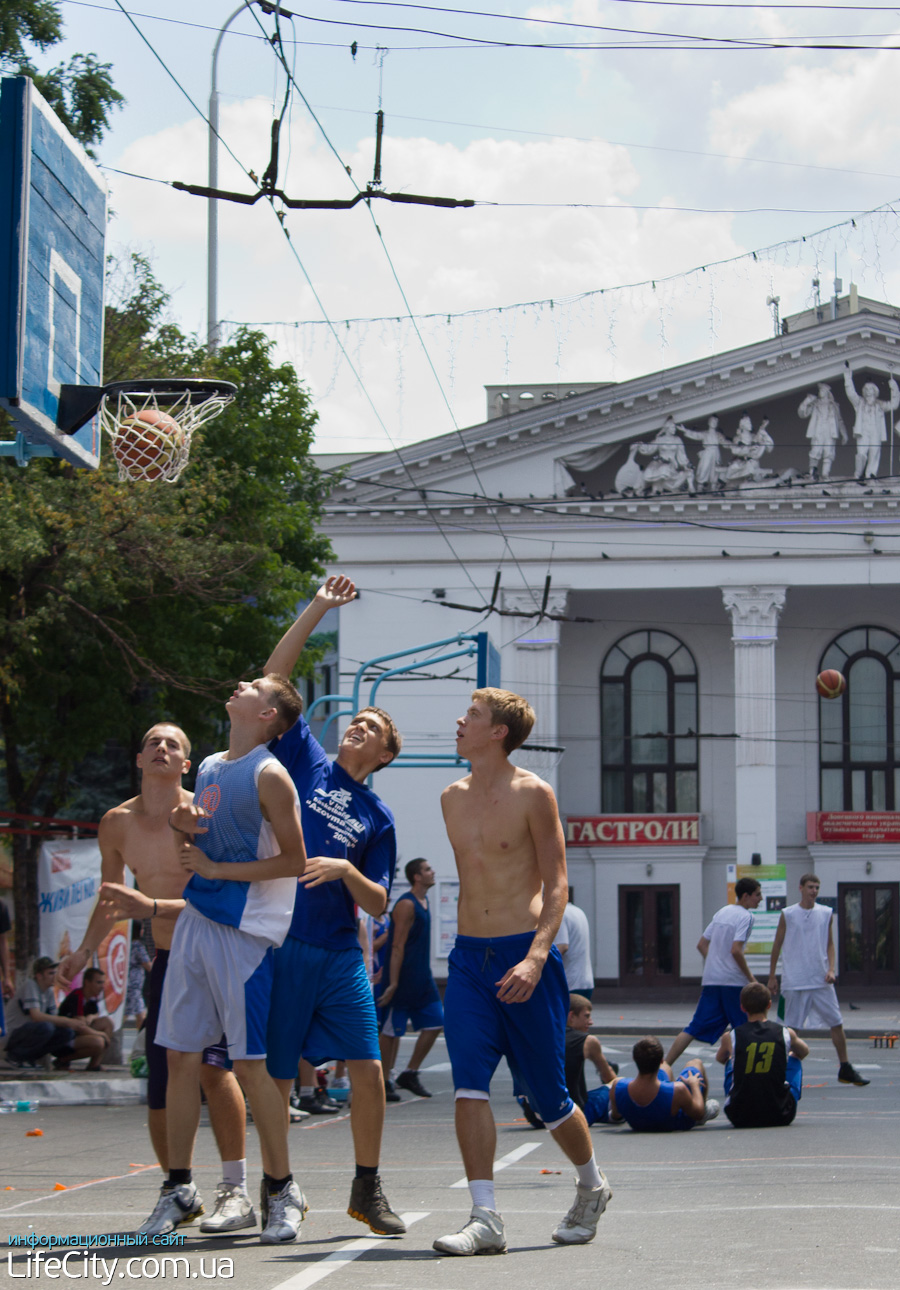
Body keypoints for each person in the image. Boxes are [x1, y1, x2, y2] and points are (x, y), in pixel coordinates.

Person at [433, 687, 612, 1256]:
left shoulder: (535, 793)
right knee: (468, 1083)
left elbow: (557, 884)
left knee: (547, 1095)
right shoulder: (450, 797)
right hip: (467, 960)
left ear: (499, 733)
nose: (461, 722)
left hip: (524, 955)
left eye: (474, 716)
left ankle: (591, 1186)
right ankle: (484, 1217)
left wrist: (537, 956)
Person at [56, 724, 251, 1237]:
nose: (162, 749)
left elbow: (228, 897)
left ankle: (235, 1188)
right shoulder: (116, 823)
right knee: (160, 1089)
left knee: (213, 1070)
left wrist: (154, 906)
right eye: (152, 743)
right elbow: (112, 897)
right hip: (167, 959)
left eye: (174, 746)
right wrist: (83, 951)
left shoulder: (203, 816)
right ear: (139, 759)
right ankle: (178, 1190)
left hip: (214, 953)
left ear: (186, 764)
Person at [263, 575, 406, 1237]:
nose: (357, 726)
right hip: (283, 939)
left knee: (369, 1066)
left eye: (370, 727)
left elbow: (379, 902)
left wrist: (347, 867)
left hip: (340, 950)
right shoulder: (308, 763)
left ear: (382, 754)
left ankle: (367, 1187)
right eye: (357, 721)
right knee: (275, 1070)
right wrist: (319, 606)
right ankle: (277, 1188)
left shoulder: (377, 816)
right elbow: (274, 678)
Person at [148, 675, 307, 1245]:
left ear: (266, 714)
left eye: (254, 685)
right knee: (180, 1060)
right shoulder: (212, 764)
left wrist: (219, 872)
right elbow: (196, 848)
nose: (241, 683)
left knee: (250, 1066)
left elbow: (294, 860)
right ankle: (178, 1189)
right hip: (196, 920)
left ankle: (282, 1189)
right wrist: (179, 828)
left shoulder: (270, 774)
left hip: (245, 934)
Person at [767, 873, 869, 1087]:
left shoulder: (825, 913)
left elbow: (829, 944)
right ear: (801, 888)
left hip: (820, 980)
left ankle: (845, 1067)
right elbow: (777, 945)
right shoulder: (789, 913)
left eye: (817, 888)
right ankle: (778, 1070)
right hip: (795, 980)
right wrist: (772, 976)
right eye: (811, 887)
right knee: (790, 1029)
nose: (814, 891)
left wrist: (831, 969)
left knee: (836, 1022)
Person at [665, 877, 762, 1069]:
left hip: (712, 980)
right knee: (746, 1028)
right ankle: (749, 1073)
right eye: (758, 894)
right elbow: (736, 950)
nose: (760, 899)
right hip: (733, 983)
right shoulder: (746, 917)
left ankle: (664, 1066)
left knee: (693, 1028)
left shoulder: (722, 912)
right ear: (746, 896)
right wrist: (752, 980)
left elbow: (701, 944)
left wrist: (716, 963)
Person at [378, 858, 444, 1099]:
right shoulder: (406, 904)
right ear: (416, 876)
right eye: (428, 869)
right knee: (391, 1032)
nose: (432, 871)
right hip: (403, 976)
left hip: (422, 976)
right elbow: (396, 945)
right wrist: (393, 981)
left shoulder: (424, 901)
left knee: (437, 1021)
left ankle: (410, 1072)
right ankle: (383, 1081)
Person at [716, 982, 808, 1128]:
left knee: (730, 1061)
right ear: (769, 1005)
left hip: (739, 1115)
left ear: (742, 1008)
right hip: (780, 1113)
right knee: (794, 1058)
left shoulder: (730, 1036)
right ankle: (788, 1096)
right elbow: (804, 1051)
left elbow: (720, 1058)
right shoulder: (785, 1033)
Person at [5, 957, 105, 1069]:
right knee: (46, 1027)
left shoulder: (48, 991)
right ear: (39, 975)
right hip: (14, 1033)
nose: (54, 976)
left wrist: (72, 1024)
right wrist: (68, 1021)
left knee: (66, 1032)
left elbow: (54, 1017)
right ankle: (15, 1056)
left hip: (29, 1032)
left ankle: (30, 1058)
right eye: (50, 973)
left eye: (55, 973)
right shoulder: (30, 985)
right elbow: (36, 1016)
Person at [608, 1036, 717, 1131]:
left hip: (639, 1121)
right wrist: (694, 1085)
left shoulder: (618, 1086)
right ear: (661, 1060)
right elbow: (698, 1114)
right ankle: (702, 1104)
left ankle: (673, 1104)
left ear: (634, 1059)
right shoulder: (678, 1089)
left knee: (665, 1068)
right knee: (695, 1063)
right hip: (675, 1121)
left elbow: (616, 1115)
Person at [564, 995, 618, 1127]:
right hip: (572, 1112)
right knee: (619, 1085)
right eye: (586, 1016)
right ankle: (615, 1116)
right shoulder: (587, 1041)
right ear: (571, 1017)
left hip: (539, 1111)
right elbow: (608, 1077)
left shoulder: (545, 1036)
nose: (591, 1021)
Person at [843, 362, 899, 480]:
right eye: (866, 389)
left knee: (874, 452)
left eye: (871, 389)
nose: (868, 391)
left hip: (875, 431)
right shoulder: (859, 402)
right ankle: (858, 474)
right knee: (861, 453)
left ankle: (870, 474)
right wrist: (847, 377)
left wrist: (894, 387)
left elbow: (894, 405)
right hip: (863, 431)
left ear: (875, 391)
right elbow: (851, 393)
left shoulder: (880, 405)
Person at [58, 967, 114, 1068]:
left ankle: (94, 1064)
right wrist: (101, 1034)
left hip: (78, 1035)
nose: (102, 986)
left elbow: (95, 1014)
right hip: (65, 1038)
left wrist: (91, 1017)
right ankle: (62, 1060)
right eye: (98, 982)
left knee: (107, 1023)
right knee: (99, 1042)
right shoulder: (77, 996)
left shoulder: (92, 999)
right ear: (87, 982)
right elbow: (80, 1026)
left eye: (102, 983)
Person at [798, 383, 846, 480]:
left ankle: (825, 474)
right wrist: (806, 401)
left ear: (827, 393)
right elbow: (802, 414)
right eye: (820, 390)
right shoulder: (815, 404)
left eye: (823, 390)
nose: (821, 392)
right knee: (815, 451)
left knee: (829, 452)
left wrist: (844, 434)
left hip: (829, 431)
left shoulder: (834, 406)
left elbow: (840, 421)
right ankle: (812, 472)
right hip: (818, 431)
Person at [554, 892, 593, 995]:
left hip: (569, 981)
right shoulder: (577, 911)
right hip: (585, 980)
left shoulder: (559, 913)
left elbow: (562, 946)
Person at [125, 922, 152, 1029]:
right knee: (132, 1012)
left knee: (139, 1012)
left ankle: (140, 1037)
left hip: (126, 982)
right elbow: (147, 964)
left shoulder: (127, 943)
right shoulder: (137, 945)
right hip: (134, 983)